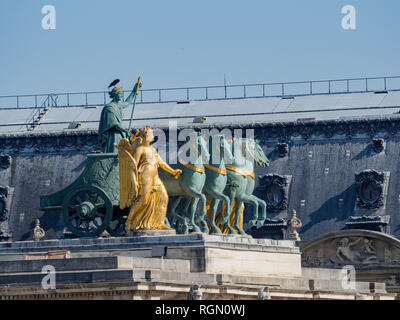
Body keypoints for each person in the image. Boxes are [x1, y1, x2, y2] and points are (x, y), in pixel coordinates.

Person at [116, 126, 182, 232]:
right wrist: (134, 182)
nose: (152, 136)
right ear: (145, 135)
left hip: (155, 177)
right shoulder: (140, 150)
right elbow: (133, 168)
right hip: (145, 177)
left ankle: (159, 223)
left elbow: (162, 163)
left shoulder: (152, 149)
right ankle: (129, 221)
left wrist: (173, 171)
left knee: (163, 197)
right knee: (144, 201)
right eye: (151, 134)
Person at [98, 80, 140, 153]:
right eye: (120, 94)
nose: (122, 95)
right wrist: (126, 131)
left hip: (120, 134)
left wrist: (134, 90)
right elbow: (114, 124)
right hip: (113, 136)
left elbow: (127, 102)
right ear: (115, 95)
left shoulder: (118, 106)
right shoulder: (109, 108)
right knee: (115, 153)